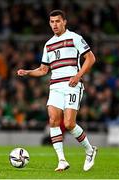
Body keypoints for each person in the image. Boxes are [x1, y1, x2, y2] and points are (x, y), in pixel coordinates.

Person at [17, 9, 97, 172]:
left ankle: (90, 150)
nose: (55, 24)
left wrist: (78, 75)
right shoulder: (48, 44)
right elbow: (43, 70)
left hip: (72, 85)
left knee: (69, 123)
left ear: (64, 22)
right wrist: (28, 72)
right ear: (49, 23)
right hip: (55, 86)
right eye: (52, 22)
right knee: (53, 120)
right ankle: (61, 160)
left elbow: (91, 58)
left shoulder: (75, 38)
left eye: (58, 21)